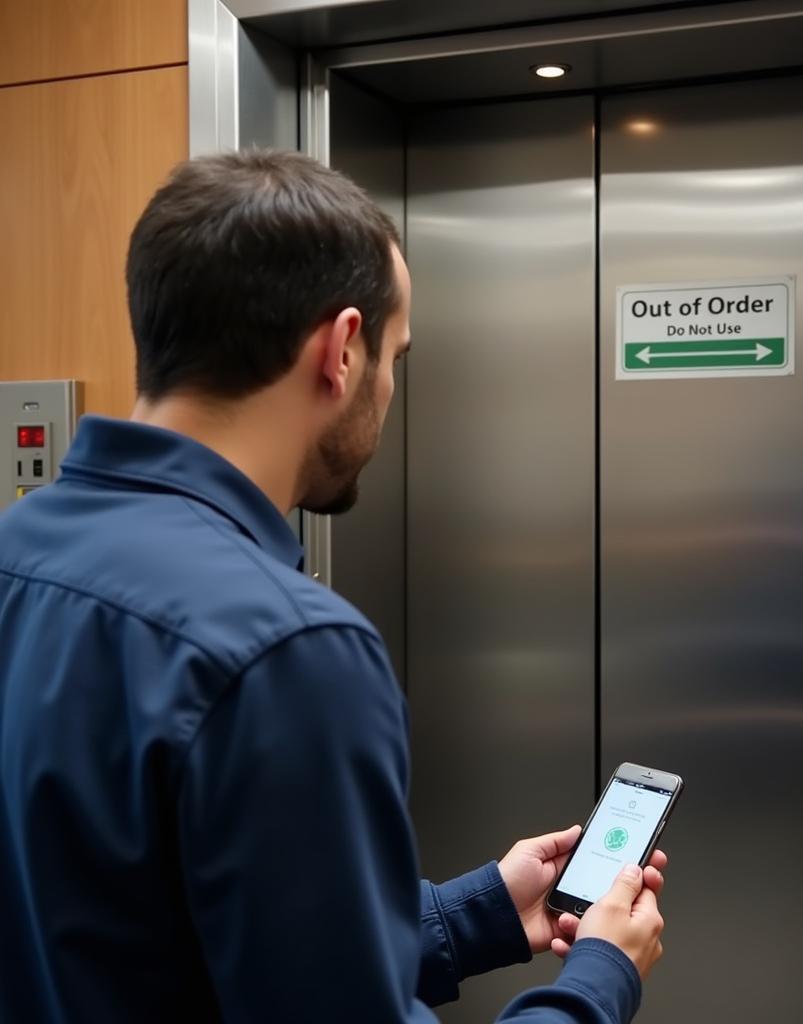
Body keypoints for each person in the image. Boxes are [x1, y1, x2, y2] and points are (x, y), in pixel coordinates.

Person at [0, 150, 666, 1022]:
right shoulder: (287, 649)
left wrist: (474, 915)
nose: (389, 389)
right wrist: (600, 980)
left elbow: (151, 940)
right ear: (341, 348)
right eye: (395, 356)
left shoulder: (19, 553)